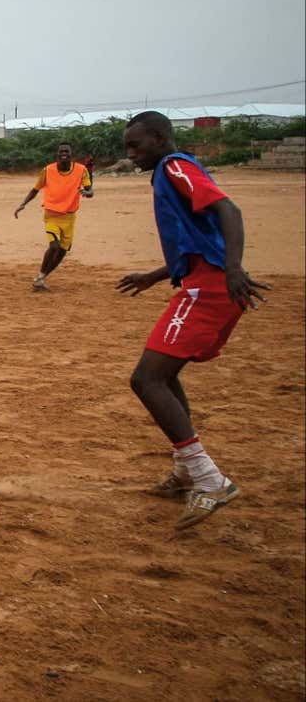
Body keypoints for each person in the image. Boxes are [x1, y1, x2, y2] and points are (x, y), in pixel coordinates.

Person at [115, 111, 268, 529]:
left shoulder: (175, 166)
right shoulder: (167, 171)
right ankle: (187, 470)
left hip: (210, 289)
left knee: (146, 379)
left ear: (161, 138)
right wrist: (155, 275)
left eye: (136, 145)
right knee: (166, 373)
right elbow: (198, 238)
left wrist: (234, 268)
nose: (131, 154)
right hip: (200, 283)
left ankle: (209, 479)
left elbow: (229, 210)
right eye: (127, 147)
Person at [14, 142, 93, 291]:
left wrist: (87, 193)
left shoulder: (81, 170)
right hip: (51, 215)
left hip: (69, 217)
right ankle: (40, 278)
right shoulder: (48, 170)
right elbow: (35, 189)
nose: (64, 154)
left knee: (62, 251)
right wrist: (23, 204)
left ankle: (41, 277)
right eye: (61, 151)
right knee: (54, 246)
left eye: (67, 151)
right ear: (57, 154)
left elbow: (90, 191)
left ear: (71, 154)